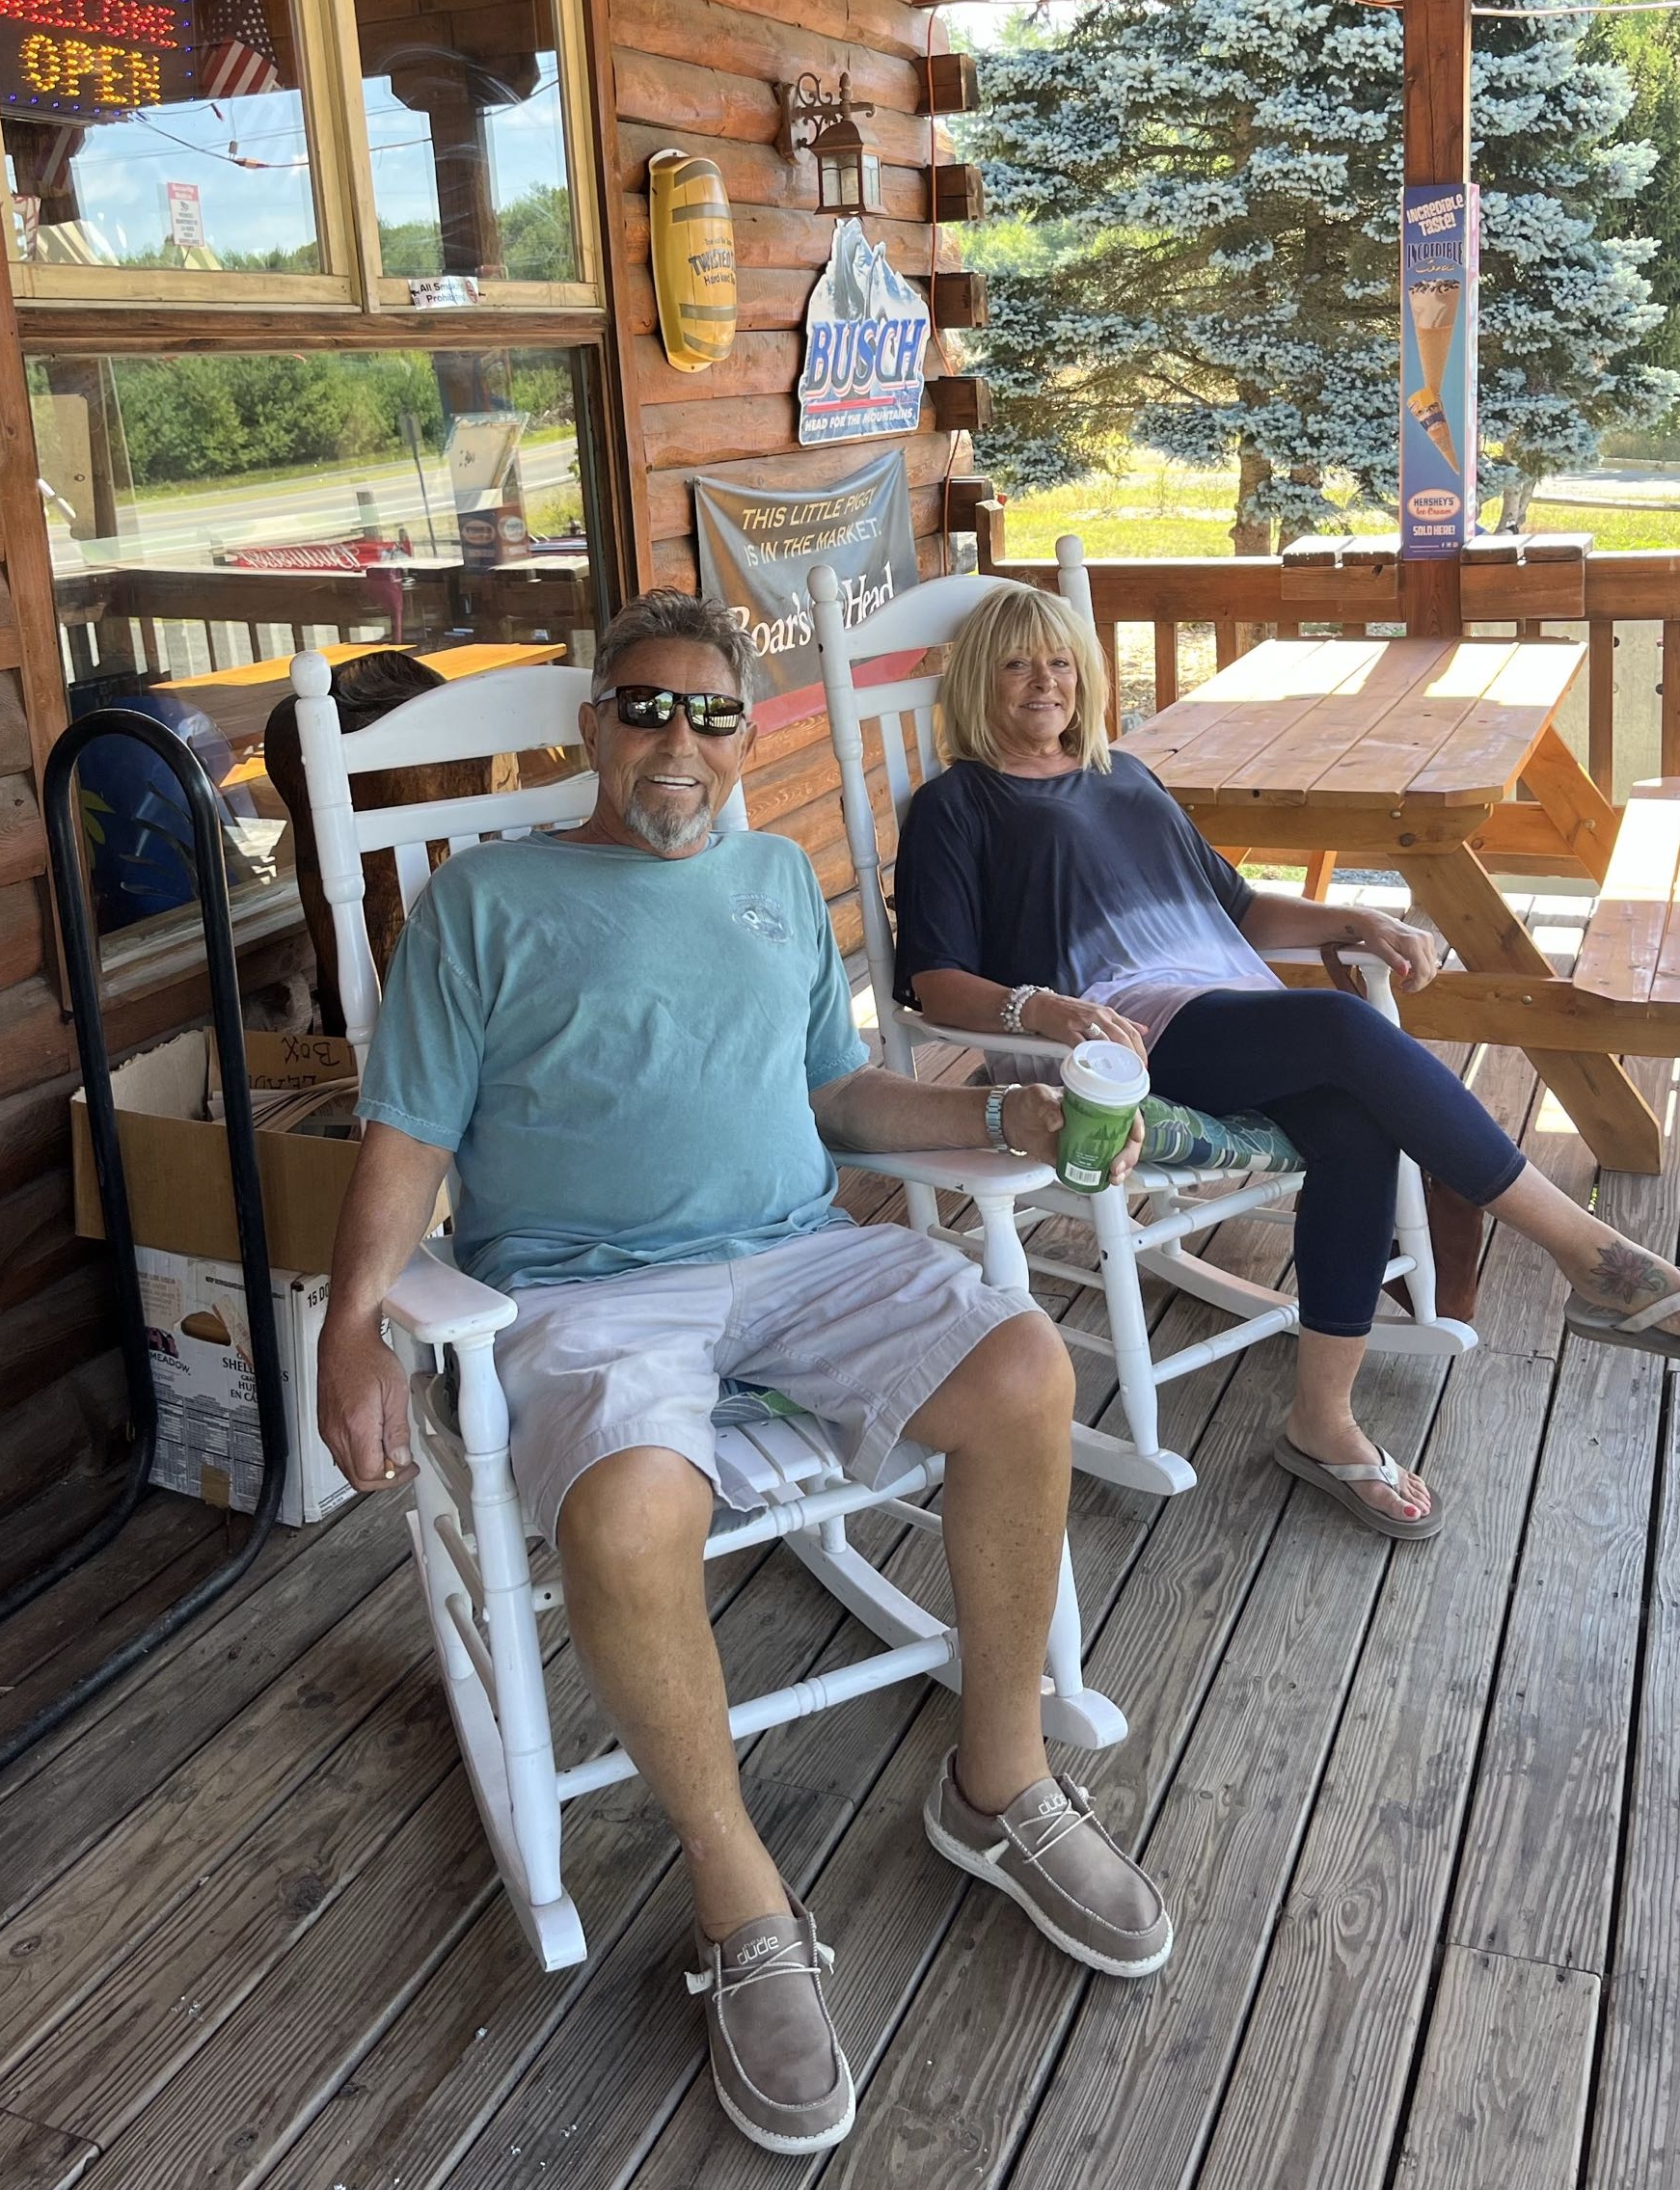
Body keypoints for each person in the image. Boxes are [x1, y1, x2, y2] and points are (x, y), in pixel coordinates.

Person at [316, 590, 1172, 2161]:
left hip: (799, 1256)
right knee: (630, 1521)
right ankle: (740, 1898)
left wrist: (999, 1128)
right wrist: (351, 1320)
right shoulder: (482, 906)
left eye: (713, 714)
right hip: (588, 1297)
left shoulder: (782, 880)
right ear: (593, 726)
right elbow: (410, 1136)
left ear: (748, 735)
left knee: (1025, 1371)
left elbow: (838, 1100)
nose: (678, 741)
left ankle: (997, 1781)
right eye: (644, 707)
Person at [890, 584, 1680, 1541]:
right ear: (981, 682)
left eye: (1061, 661)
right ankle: (1587, 1254)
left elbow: (1240, 913)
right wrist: (1046, 1009)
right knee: (1346, 1030)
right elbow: (933, 982)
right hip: (1134, 1037)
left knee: (1355, 1122)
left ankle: (1323, 1422)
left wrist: (1355, 917)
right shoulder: (958, 804)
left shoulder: (1125, 776)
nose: (1045, 683)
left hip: (1235, 1014)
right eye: (1018, 664)